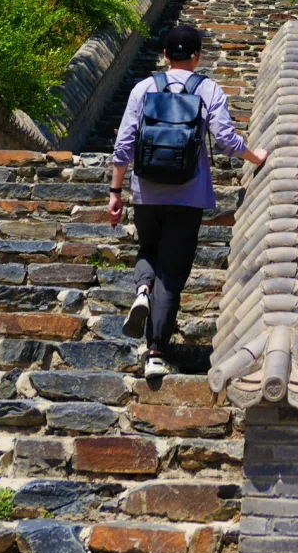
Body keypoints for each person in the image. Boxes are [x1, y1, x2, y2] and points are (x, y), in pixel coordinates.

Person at [108, 21, 268, 378]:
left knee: (148, 250)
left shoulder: (143, 88)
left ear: (165, 54)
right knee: (172, 272)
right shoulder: (208, 89)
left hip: (146, 191)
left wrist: (115, 193)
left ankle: (142, 289)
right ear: (197, 57)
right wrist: (255, 156)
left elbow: (123, 146)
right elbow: (226, 139)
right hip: (188, 196)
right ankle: (155, 352)